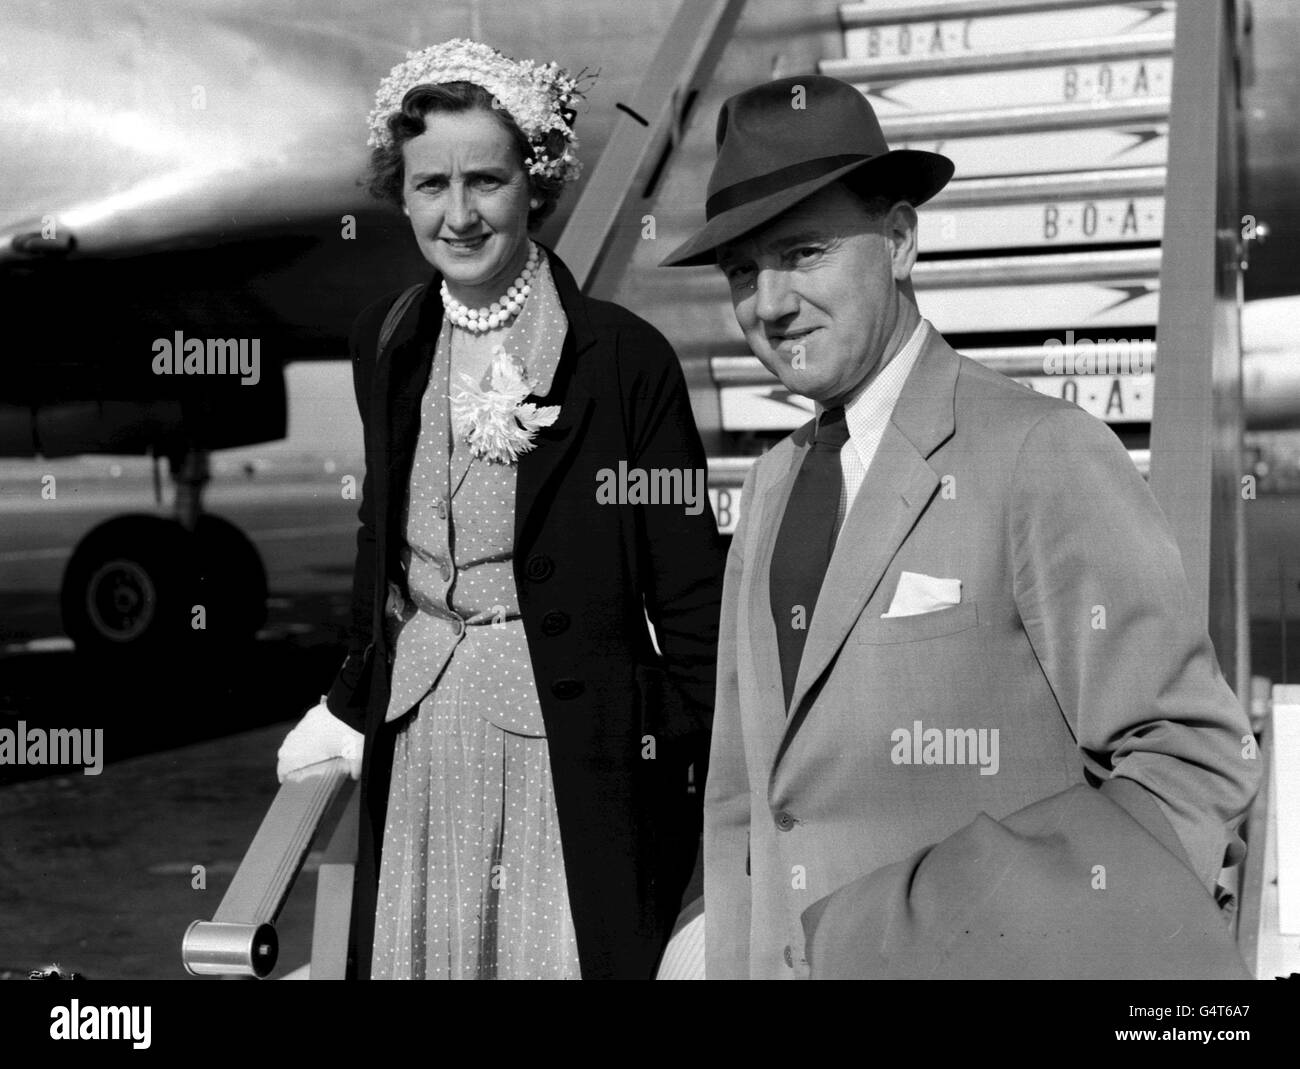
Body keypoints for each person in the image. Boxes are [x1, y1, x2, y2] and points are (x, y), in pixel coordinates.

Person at [661, 75, 1261, 980]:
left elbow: (1192, 759)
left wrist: (975, 933)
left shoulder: (1040, 451)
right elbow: (755, 802)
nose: (769, 303)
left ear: (900, 240)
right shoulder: (775, 480)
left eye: (804, 252)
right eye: (743, 270)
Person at [277, 39, 724, 980]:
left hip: (570, 748)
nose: (459, 211)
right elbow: (380, 543)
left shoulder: (623, 357)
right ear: (400, 194)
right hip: (422, 735)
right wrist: (348, 702)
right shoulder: (387, 339)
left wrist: (692, 776)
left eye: (487, 179)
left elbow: (692, 596)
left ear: (537, 182)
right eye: (430, 183)